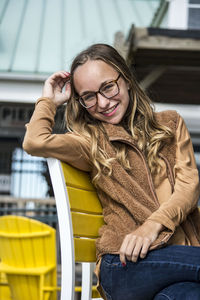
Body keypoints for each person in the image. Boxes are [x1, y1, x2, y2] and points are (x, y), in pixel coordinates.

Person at [23, 44, 200, 300]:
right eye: (89, 96)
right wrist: (48, 102)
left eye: (108, 87)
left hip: (179, 258)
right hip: (124, 264)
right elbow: (35, 142)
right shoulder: (90, 142)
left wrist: (152, 225)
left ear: (126, 79)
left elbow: (189, 187)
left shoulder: (170, 124)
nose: (103, 103)